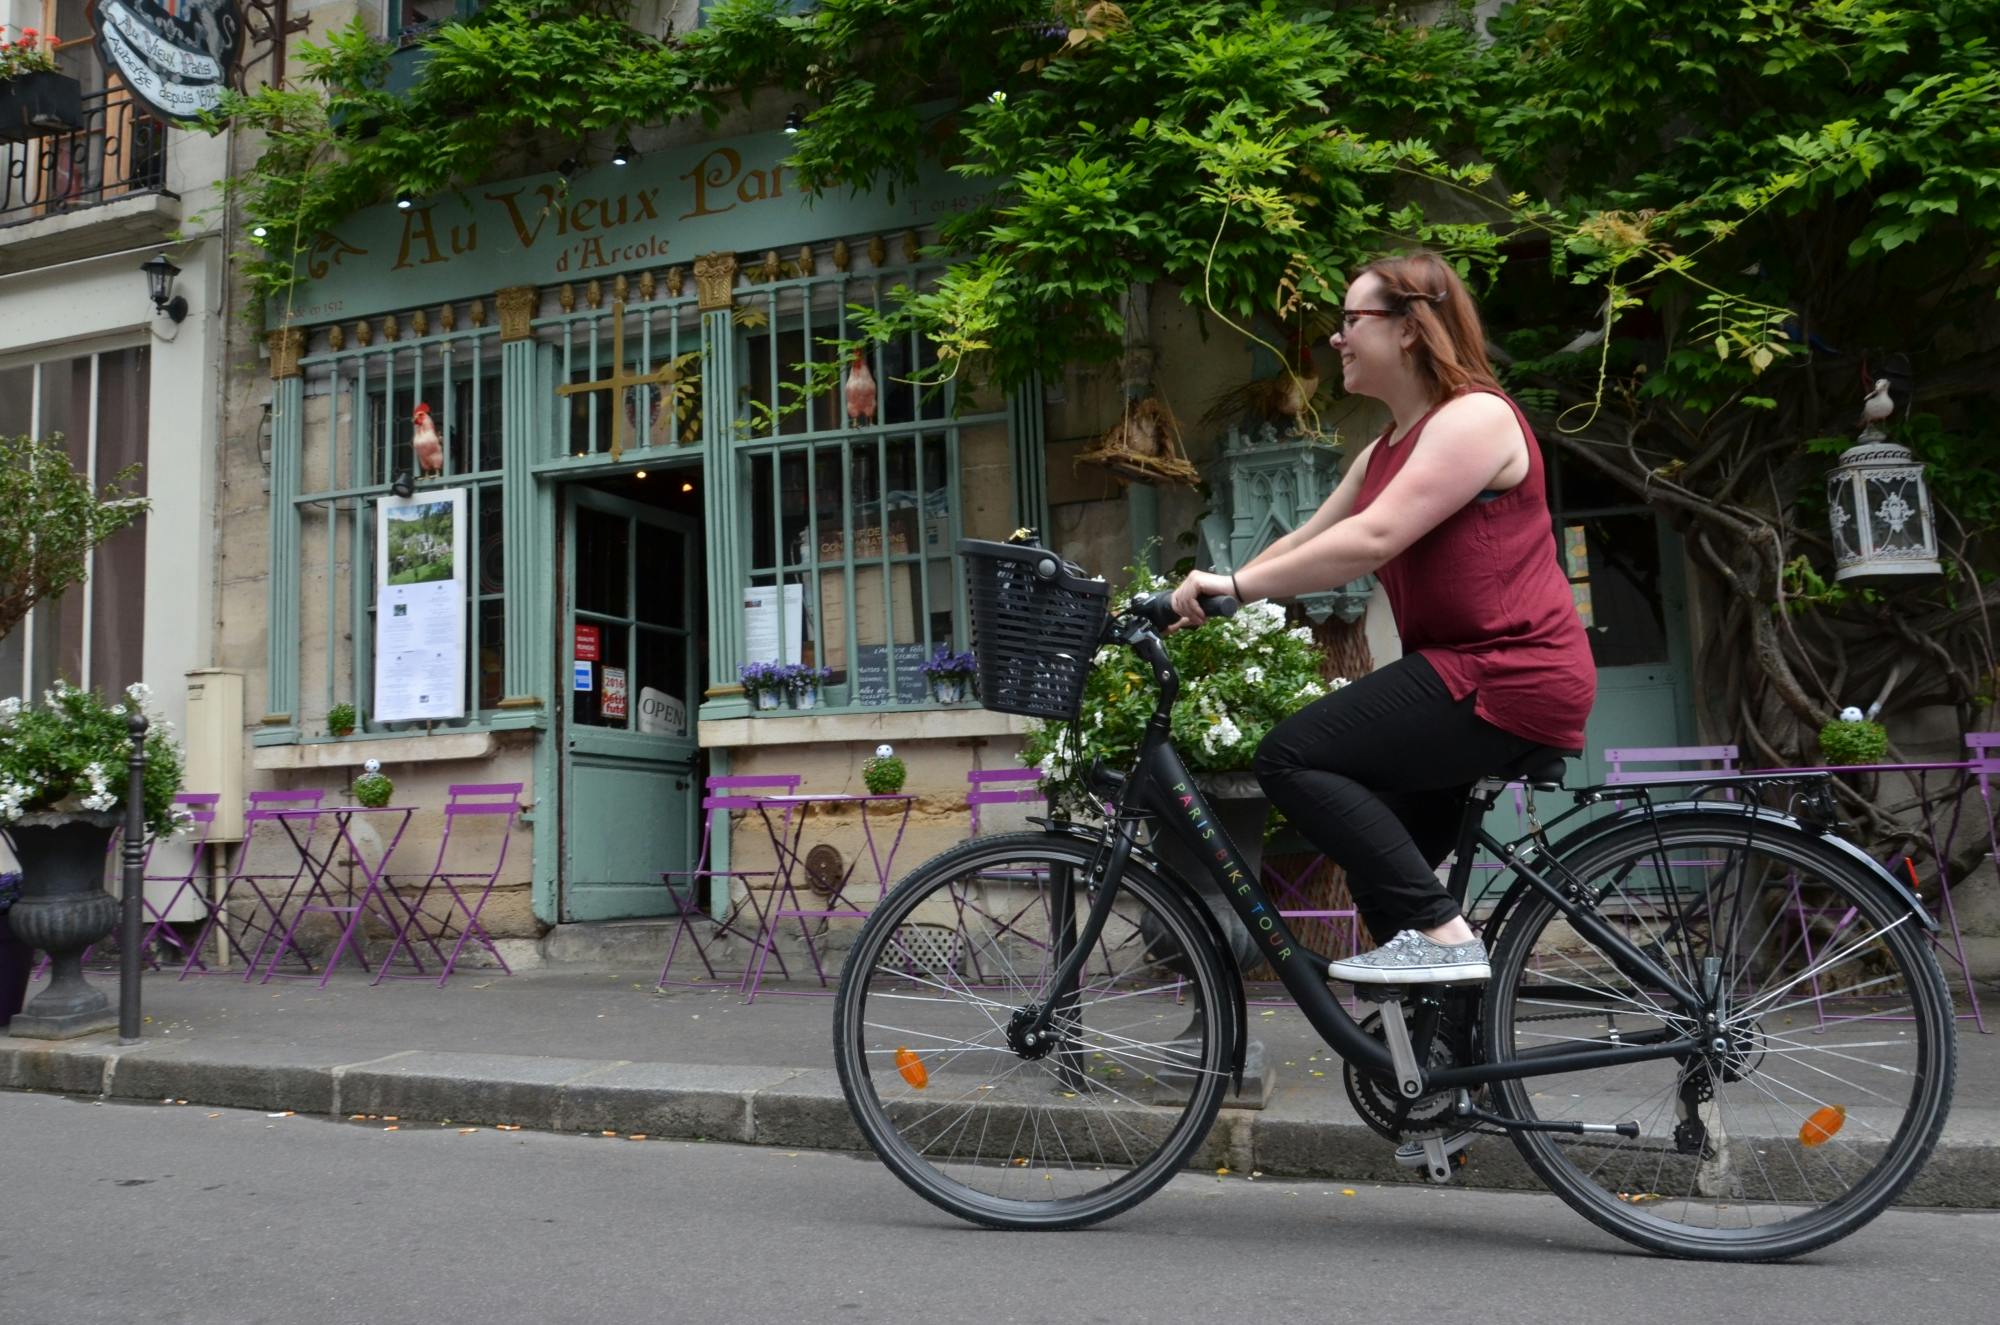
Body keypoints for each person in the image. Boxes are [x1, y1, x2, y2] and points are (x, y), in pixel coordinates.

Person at [1168, 251, 1596, 984]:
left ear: (1409, 328)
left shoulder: (1477, 418)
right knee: (1380, 859)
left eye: (1349, 320)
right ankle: (1435, 1073)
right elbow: (1306, 541)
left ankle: (1444, 936)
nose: (1335, 339)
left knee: (1290, 755)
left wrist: (1235, 585)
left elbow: (1370, 541)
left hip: (1508, 671)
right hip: (1462, 675)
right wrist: (1200, 593)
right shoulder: (1382, 453)